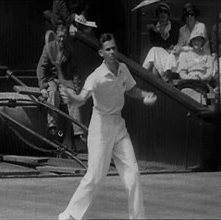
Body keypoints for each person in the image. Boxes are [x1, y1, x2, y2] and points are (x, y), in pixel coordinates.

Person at [58, 33, 157, 220]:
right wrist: (72, 98)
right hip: (100, 127)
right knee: (95, 176)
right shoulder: (96, 77)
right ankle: (69, 214)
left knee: (133, 174)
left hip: (119, 126)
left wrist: (144, 94)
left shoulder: (124, 69)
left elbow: (131, 89)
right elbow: (80, 99)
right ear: (101, 53)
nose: (112, 52)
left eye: (114, 48)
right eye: (108, 49)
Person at [36, 25, 84, 150]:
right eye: (60, 37)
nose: (62, 39)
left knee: (72, 97)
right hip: (51, 80)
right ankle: (52, 125)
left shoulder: (70, 50)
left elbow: (75, 71)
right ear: (56, 37)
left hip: (64, 81)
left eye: (64, 37)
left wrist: (76, 87)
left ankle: (78, 133)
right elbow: (41, 68)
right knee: (52, 93)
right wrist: (42, 87)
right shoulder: (49, 48)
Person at [165, 3, 210, 79]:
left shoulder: (201, 26)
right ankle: (170, 77)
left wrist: (183, 49)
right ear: (185, 17)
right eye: (187, 15)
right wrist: (176, 48)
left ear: (195, 15)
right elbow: (180, 44)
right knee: (171, 56)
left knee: (183, 55)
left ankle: (181, 76)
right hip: (186, 54)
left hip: (200, 53)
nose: (189, 17)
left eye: (191, 14)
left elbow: (202, 46)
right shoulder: (182, 29)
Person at [142, 2, 180, 82]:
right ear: (158, 14)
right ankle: (144, 75)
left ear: (168, 14)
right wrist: (154, 31)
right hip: (158, 55)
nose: (163, 14)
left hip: (170, 55)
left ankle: (142, 73)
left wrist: (159, 33)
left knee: (154, 50)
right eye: (160, 11)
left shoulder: (174, 26)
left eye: (165, 11)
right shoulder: (155, 26)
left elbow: (170, 43)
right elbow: (155, 42)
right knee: (154, 67)